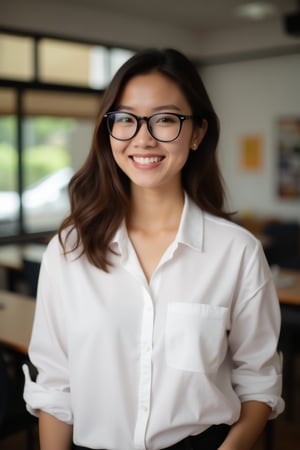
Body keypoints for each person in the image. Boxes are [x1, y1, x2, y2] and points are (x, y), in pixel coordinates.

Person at [23, 48, 284, 450]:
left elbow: (258, 380)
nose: (142, 138)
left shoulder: (237, 253)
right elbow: (56, 386)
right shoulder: (69, 250)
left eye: (165, 119)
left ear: (197, 132)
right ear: (108, 130)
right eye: (125, 119)